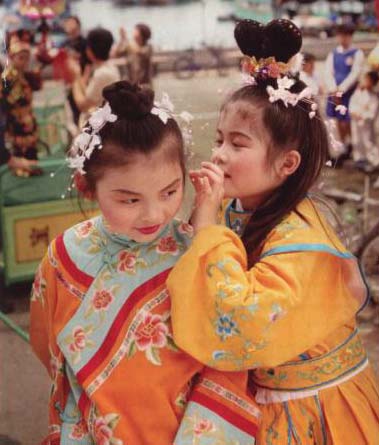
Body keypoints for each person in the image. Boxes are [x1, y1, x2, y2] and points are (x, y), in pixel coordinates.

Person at [166, 19, 379, 445]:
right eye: (220, 139)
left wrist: (205, 227)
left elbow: (241, 322)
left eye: (238, 144)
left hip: (312, 409)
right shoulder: (236, 208)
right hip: (262, 400)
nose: (220, 154)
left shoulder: (300, 239)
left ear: (288, 164)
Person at [29, 81, 260, 445]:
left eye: (170, 191)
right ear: (87, 187)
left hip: (180, 432)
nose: (154, 214)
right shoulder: (62, 257)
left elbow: (228, 358)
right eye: (129, 200)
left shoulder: (197, 253)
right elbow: (49, 349)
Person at [0, 31, 42, 176]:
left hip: (28, 117)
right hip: (15, 121)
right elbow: (4, 101)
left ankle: (30, 166)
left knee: (32, 151)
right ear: (12, 58)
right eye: (21, 58)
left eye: (26, 58)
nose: (24, 62)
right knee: (18, 151)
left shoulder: (26, 75)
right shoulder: (7, 78)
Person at [324, 24, 364, 162]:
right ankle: (344, 147)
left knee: (348, 121)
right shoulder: (333, 53)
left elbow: (355, 74)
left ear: (350, 36)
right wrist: (333, 89)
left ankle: (353, 144)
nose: (343, 38)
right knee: (338, 120)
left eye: (346, 35)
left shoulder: (357, 53)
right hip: (335, 93)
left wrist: (341, 89)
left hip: (348, 93)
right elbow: (328, 72)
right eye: (340, 35)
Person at [71, 27, 120, 129]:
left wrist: (75, 78)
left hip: (99, 128)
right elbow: (90, 95)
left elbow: (83, 105)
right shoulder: (109, 68)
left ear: (90, 50)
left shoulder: (102, 74)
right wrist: (82, 76)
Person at [350, 71, 379, 171]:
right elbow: (352, 104)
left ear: (373, 83)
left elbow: (372, 113)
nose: (364, 82)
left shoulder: (374, 97)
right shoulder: (358, 92)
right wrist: (354, 112)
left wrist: (363, 116)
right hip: (355, 121)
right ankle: (359, 159)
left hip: (365, 124)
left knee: (367, 142)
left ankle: (373, 161)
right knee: (356, 140)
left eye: (367, 80)